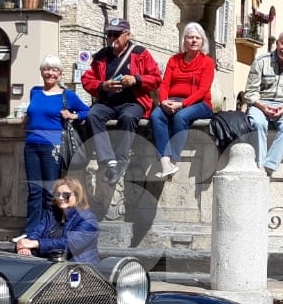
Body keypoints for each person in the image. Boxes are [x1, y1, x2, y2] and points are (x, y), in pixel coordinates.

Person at [82, 17, 161, 185]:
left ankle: (120, 160)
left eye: (116, 34)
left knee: (128, 117)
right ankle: (108, 160)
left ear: (127, 35)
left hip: (133, 102)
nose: (112, 38)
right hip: (107, 103)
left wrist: (136, 79)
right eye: (109, 34)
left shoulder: (140, 53)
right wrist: (103, 85)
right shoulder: (101, 56)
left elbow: (156, 78)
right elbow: (87, 79)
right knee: (93, 115)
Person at [21, 55, 88, 236]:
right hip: (31, 144)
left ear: (60, 74)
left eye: (54, 70)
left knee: (50, 189)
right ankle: (31, 231)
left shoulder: (67, 95)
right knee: (34, 190)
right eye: (46, 69)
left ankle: (49, 229)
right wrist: (27, 118)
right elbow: (35, 112)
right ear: (41, 72)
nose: (50, 73)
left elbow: (86, 110)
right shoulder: (35, 92)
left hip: (53, 146)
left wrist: (72, 116)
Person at [151, 22, 215, 179]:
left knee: (181, 117)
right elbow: (165, 84)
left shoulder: (207, 62)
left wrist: (182, 104)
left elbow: (203, 90)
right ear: (184, 41)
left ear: (202, 41)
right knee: (156, 115)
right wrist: (163, 101)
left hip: (200, 103)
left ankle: (174, 159)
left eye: (197, 38)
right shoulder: (174, 60)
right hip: (174, 100)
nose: (194, 41)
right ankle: (165, 162)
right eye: (190, 37)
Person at [243, 29, 283, 176]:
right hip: (260, 103)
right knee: (258, 123)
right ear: (277, 44)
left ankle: (270, 165)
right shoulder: (261, 61)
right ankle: (260, 165)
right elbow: (251, 92)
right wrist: (262, 106)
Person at [13, 176, 100, 263]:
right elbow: (37, 232)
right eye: (58, 194)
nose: (61, 198)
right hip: (52, 263)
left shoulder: (88, 218)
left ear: (77, 196)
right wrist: (25, 246)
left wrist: (36, 243)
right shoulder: (52, 213)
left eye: (66, 195)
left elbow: (71, 243)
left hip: (78, 266)